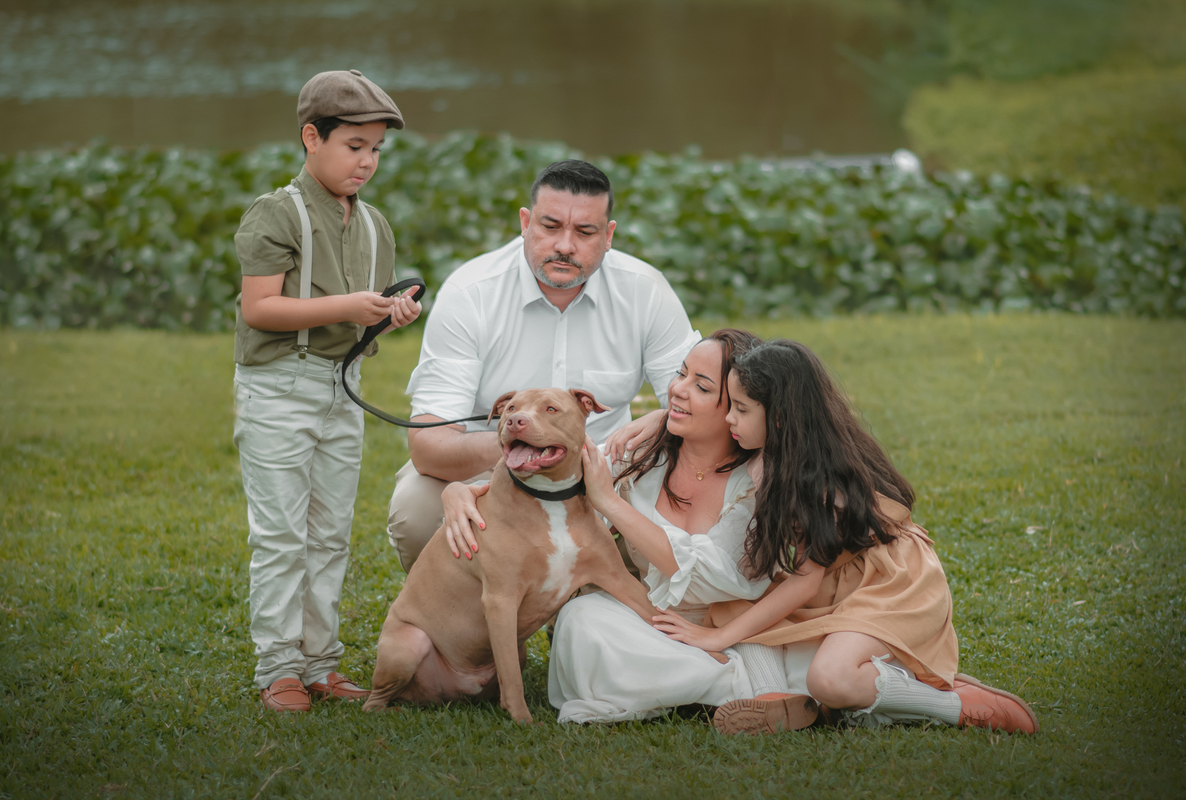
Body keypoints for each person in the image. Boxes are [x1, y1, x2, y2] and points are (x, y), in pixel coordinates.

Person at [653, 340, 1039, 734]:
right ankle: (775, 700)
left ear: (780, 417)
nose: (728, 418)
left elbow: (805, 582)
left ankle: (955, 704)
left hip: (889, 581)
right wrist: (650, 421)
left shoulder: (816, 481)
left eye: (740, 409)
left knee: (830, 679)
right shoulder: (768, 452)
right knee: (735, 601)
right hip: (836, 578)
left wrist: (717, 639)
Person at [387, 159, 698, 573]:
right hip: (493, 466)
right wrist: (523, 446)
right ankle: (461, 613)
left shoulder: (646, 290)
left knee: (691, 478)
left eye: (585, 232)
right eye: (550, 227)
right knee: (416, 509)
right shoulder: (470, 291)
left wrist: (663, 418)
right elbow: (429, 448)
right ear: (525, 222)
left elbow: (704, 402)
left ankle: (604, 603)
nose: (565, 246)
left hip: (609, 470)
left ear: (608, 236)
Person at [232, 69, 422, 712]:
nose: (366, 162)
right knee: (281, 533)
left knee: (330, 532)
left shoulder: (376, 228)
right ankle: (278, 667)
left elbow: (356, 333)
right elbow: (259, 308)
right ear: (311, 137)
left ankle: (319, 662)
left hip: (342, 391)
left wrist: (386, 319)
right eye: (353, 146)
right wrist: (350, 304)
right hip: (278, 389)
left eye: (375, 150)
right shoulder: (276, 213)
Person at [530, 329, 788, 723]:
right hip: (646, 619)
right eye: (681, 374)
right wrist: (464, 493)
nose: (677, 391)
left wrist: (610, 504)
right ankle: (731, 686)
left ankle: (725, 684)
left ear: (738, 406)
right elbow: (552, 476)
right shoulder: (639, 454)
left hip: (731, 627)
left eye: (701, 387)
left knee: (804, 658)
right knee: (582, 620)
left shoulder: (755, 481)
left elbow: (713, 579)